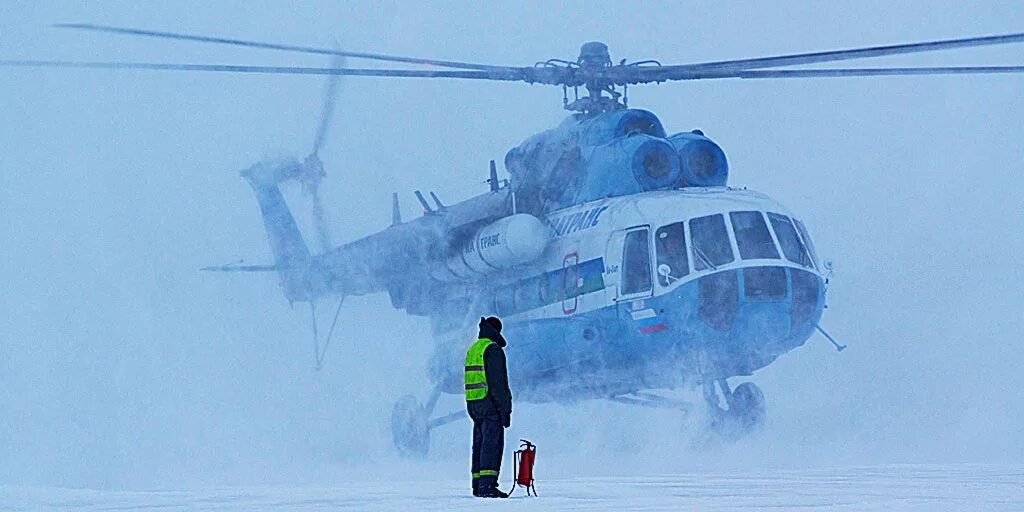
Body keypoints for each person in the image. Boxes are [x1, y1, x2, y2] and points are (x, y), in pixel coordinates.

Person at [465, 316, 512, 498]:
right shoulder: (492, 350)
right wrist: (504, 410)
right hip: (489, 404)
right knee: (491, 445)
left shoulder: (474, 349)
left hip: (474, 404)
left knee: (479, 444)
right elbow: (498, 383)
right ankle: (487, 486)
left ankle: (477, 485)